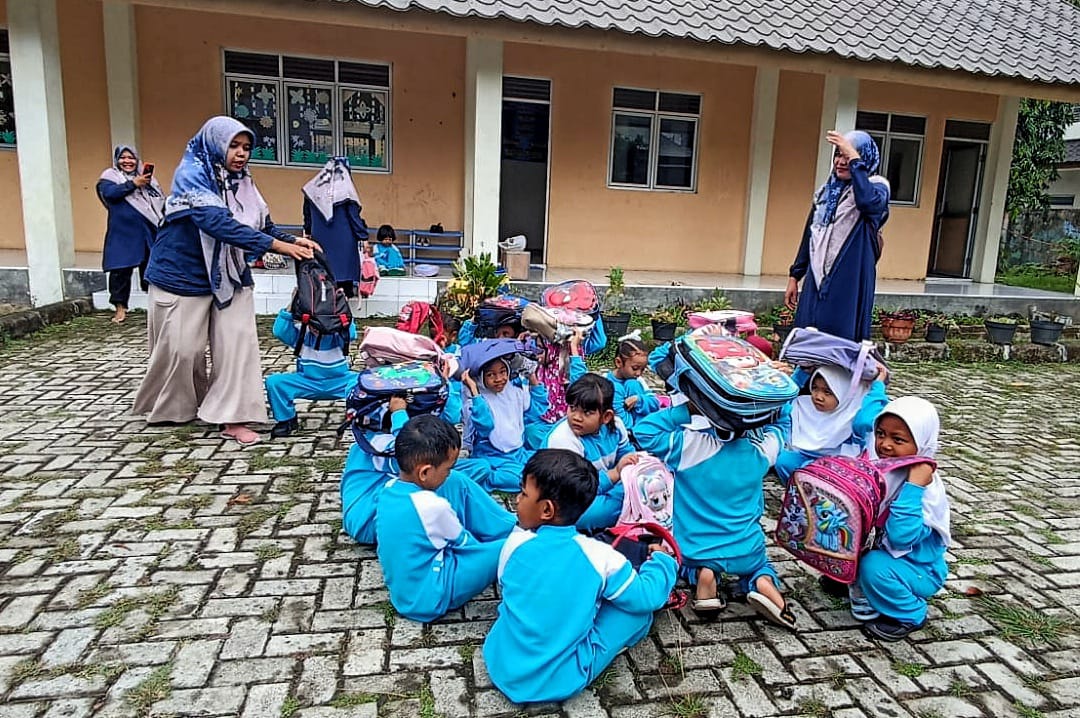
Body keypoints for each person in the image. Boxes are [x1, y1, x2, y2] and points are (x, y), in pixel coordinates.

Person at [132, 116, 317, 445]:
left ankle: (231, 417)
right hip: (182, 275)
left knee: (236, 347)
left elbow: (261, 224)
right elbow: (214, 222)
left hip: (230, 274)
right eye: (234, 145)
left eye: (246, 147)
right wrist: (278, 247)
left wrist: (292, 240)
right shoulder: (192, 174)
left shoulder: (242, 181)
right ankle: (178, 407)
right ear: (215, 143)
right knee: (182, 350)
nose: (241, 154)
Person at [483, 449, 677, 704]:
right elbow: (647, 597)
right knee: (639, 613)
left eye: (523, 494)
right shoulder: (600, 556)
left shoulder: (514, 543)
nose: (517, 500)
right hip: (559, 679)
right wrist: (662, 561)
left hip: (501, 662)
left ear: (547, 510)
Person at [635, 397, 796, 628]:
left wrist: (690, 408)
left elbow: (644, 431)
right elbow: (782, 424)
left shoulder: (689, 446)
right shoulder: (762, 450)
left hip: (696, 549)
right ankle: (761, 580)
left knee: (689, 566)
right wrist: (775, 401)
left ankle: (705, 575)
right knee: (760, 566)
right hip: (747, 550)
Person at [375, 415, 517, 623]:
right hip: (434, 597)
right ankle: (522, 537)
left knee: (457, 482)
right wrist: (494, 556)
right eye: (448, 468)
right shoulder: (432, 506)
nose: (449, 473)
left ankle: (509, 528)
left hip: (404, 595)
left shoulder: (387, 491)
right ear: (424, 472)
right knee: (514, 545)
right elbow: (469, 547)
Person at [857, 397, 951, 641]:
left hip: (919, 570)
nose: (885, 445)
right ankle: (861, 583)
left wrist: (913, 487)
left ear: (922, 442)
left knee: (873, 566)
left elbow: (900, 537)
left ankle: (910, 613)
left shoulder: (926, 490)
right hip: (890, 557)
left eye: (898, 440)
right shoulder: (882, 469)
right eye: (880, 434)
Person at [785, 131, 890, 342]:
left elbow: (867, 203)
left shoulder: (877, 187)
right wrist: (795, 276)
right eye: (838, 155)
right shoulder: (827, 194)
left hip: (848, 279)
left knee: (840, 340)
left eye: (847, 156)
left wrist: (855, 161)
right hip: (817, 278)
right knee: (808, 335)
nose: (841, 162)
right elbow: (810, 236)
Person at [543, 372, 639, 532]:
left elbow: (625, 452)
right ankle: (627, 508)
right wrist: (615, 474)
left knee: (640, 484)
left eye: (587, 413)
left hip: (602, 486)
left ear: (606, 417)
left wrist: (630, 464)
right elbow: (574, 489)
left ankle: (628, 504)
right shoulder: (564, 440)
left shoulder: (617, 427)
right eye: (572, 408)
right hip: (566, 495)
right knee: (590, 513)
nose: (577, 417)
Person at [774, 364, 889, 484]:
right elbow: (781, 401)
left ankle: (817, 498)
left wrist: (878, 386)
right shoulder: (803, 405)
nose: (818, 396)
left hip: (836, 466)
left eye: (827, 392)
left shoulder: (852, 414)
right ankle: (797, 492)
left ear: (846, 393)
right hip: (805, 457)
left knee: (811, 470)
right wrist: (803, 372)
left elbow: (865, 421)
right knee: (784, 460)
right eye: (814, 388)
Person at [456, 353, 548, 491]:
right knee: (522, 479)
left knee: (545, 467)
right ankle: (488, 478)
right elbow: (485, 426)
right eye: (490, 375)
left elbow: (537, 410)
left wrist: (532, 377)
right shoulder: (476, 401)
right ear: (481, 378)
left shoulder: (513, 392)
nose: (499, 379)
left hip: (519, 453)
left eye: (503, 372)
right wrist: (474, 390)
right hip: (493, 456)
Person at [264, 305, 358, 438]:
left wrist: (343, 306)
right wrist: (292, 304)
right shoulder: (301, 334)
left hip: (339, 382)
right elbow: (280, 331)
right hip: (308, 382)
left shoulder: (339, 334)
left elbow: (351, 332)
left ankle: (362, 416)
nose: (316, 329)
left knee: (365, 382)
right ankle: (286, 420)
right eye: (313, 323)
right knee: (274, 382)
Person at [96, 145, 164, 324]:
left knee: (151, 270)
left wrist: (142, 182)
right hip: (123, 234)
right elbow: (111, 194)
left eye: (131, 158)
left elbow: (159, 202)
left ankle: (156, 309)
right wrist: (133, 184)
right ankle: (120, 309)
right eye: (123, 158)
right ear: (117, 160)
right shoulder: (110, 177)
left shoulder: (147, 179)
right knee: (120, 271)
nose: (127, 161)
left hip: (146, 232)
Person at [302, 157, 369, 297]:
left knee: (324, 269)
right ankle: (344, 301)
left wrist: (307, 231)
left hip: (319, 238)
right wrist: (363, 236)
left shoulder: (313, 189)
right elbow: (353, 216)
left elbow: (307, 214)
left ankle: (325, 301)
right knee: (344, 271)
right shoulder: (346, 191)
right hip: (344, 240)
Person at [605, 335, 661, 433]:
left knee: (632, 384)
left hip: (641, 425)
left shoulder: (638, 381)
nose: (638, 373)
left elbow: (655, 403)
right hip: (618, 427)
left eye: (642, 369)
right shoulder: (605, 381)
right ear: (619, 362)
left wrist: (638, 399)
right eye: (635, 368)